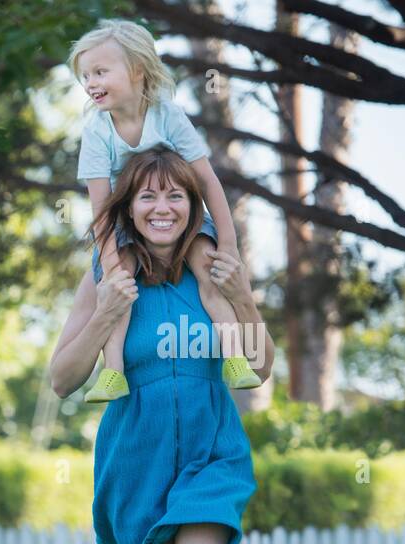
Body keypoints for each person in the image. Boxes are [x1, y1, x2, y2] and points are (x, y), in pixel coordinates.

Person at [50, 146, 275, 544]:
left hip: (212, 453)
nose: (162, 207)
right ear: (128, 206)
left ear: (193, 206)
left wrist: (243, 297)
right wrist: (108, 316)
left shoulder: (212, 269)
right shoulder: (107, 274)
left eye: (175, 195)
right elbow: (62, 378)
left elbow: (260, 367)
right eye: (147, 196)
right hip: (136, 458)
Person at [68, 18, 261, 403]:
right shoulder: (96, 131)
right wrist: (110, 267)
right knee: (120, 285)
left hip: (180, 215)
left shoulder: (167, 115)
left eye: (101, 72)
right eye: (86, 75)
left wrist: (228, 244)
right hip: (123, 222)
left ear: (137, 71)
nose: (91, 83)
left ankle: (236, 358)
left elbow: (207, 182)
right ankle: (113, 373)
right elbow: (102, 209)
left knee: (208, 271)